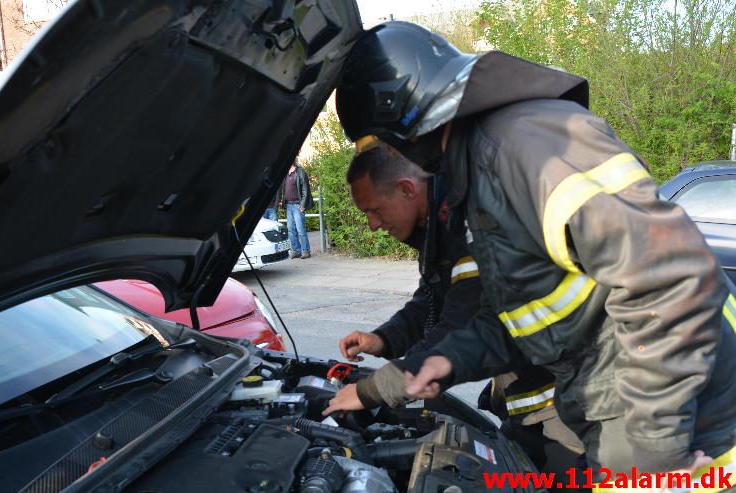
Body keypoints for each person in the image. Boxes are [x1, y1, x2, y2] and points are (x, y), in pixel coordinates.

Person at [333, 21, 736, 481]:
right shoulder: (484, 170)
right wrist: (384, 386)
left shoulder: (523, 150)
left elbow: (672, 281)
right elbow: (515, 320)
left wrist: (655, 455)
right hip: (624, 414)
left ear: (403, 121)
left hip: (694, 424)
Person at [323, 142, 585, 478]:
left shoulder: (470, 224)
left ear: (406, 188)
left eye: (375, 210)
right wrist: (382, 339)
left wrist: (371, 390)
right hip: (532, 401)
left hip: (567, 405)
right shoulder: (441, 228)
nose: (373, 225)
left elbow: (462, 330)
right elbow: (431, 303)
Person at [283, 158, 314, 259]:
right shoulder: (285, 173)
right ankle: (296, 251)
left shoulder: (300, 172)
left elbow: (306, 190)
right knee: (291, 229)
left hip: (297, 205)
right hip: (289, 205)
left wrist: (303, 205)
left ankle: (306, 251)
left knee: (300, 229)